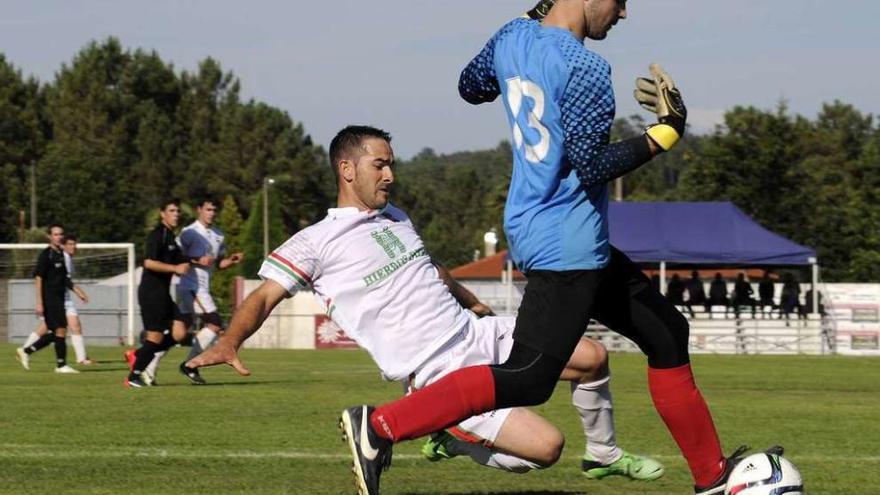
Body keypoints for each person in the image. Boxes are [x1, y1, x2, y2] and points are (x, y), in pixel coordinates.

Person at [285, 3, 750, 494]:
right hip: (565, 236)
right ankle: (379, 428)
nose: (624, 12)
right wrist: (664, 132)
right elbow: (590, 167)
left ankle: (711, 478)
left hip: (549, 227)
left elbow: (471, 86)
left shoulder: (513, 37)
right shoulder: (587, 66)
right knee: (528, 376)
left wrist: (530, 20)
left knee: (666, 332)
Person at [188, 126, 664, 490]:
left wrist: (473, 302)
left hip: (477, 332)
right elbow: (264, 295)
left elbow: (431, 269)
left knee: (593, 358)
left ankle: (603, 454)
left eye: (391, 164)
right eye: (380, 165)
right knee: (545, 449)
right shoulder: (316, 242)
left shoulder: (396, 216)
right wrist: (230, 340)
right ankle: (452, 435)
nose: (390, 175)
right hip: (435, 368)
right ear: (347, 169)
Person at [147, 197, 243, 385]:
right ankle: (190, 365)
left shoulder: (218, 234)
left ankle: (149, 367)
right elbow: (175, 257)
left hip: (203, 287)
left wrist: (230, 261)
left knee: (179, 333)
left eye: (214, 210)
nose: (212, 213)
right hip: (190, 286)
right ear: (199, 209)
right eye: (208, 209)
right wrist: (197, 260)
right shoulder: (189, 232)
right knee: (215, 323)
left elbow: (218, 263)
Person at [124, 199, 194, 388]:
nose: (176, 214)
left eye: (178, 211)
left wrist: (204, 260)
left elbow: (183, 259)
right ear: (163, 214)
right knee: (154, 338)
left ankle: (138, 354)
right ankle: (134, 376)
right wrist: (175, 268)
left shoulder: (171, 237)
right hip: (151, 293)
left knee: (179, 332)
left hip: (164, 294)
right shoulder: (157, 235)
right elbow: (148, 262)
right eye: (172, 210)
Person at [15, 224, 81, 373]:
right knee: (60, 330)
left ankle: (27, 351)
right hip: (49, 298)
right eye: (56, 234)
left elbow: (64, 278)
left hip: (59, 299)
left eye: (61, 234)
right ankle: (60, 365)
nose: (59, 237)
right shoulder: (46, 255)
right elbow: (38, 278)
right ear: (50, 237)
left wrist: (77, 290)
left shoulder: (60, 254)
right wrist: (39, 302)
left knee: (58, 332)